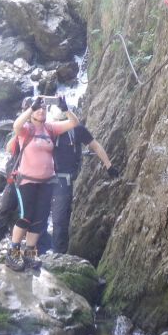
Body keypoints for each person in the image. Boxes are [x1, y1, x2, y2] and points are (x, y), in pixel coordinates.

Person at [4, 94, 78, 271]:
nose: (41, 111)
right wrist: (32, 107)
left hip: (47, 182)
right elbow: (16, 126)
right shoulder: (26, 129)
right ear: (31, 112)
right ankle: (13, 252)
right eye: (38, 109)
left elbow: (74, 123)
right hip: (26, 181)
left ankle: (30, 253)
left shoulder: (50, 128)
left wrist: (65, 109)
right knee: (26, 216)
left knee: (40, 219)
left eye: (44, 108)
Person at [45, 106, 120, 253]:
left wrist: (109, 166)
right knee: (50, 220)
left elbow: (95, 146)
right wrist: (108, 166)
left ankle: (55, 255)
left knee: (58, 220)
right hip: (49, 179)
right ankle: (44, 254)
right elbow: (96, 146)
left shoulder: (74, 130)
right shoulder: (49, 129)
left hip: (58, 180)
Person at [0, 96, 34, 255]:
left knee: (23, 219)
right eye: (26, 109)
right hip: (15, 180)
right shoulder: (21, 129)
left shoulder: (38, 129)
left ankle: (18, 252)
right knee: (6, 215)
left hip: (26, 182)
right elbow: (9, 148)